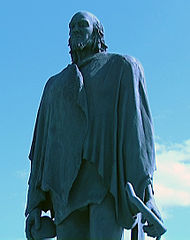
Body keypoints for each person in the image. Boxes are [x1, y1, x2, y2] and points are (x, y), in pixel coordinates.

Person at [25, 11, 163, 240]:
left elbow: (138, 135)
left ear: (97, 32)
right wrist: (35, 204)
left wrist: (147, 194)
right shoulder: (54, 86)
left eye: (82, 24)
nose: (76, 30)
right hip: (64, 193)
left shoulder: (121, 67)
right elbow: (40, 150)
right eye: (71, 27)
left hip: (105, 184)